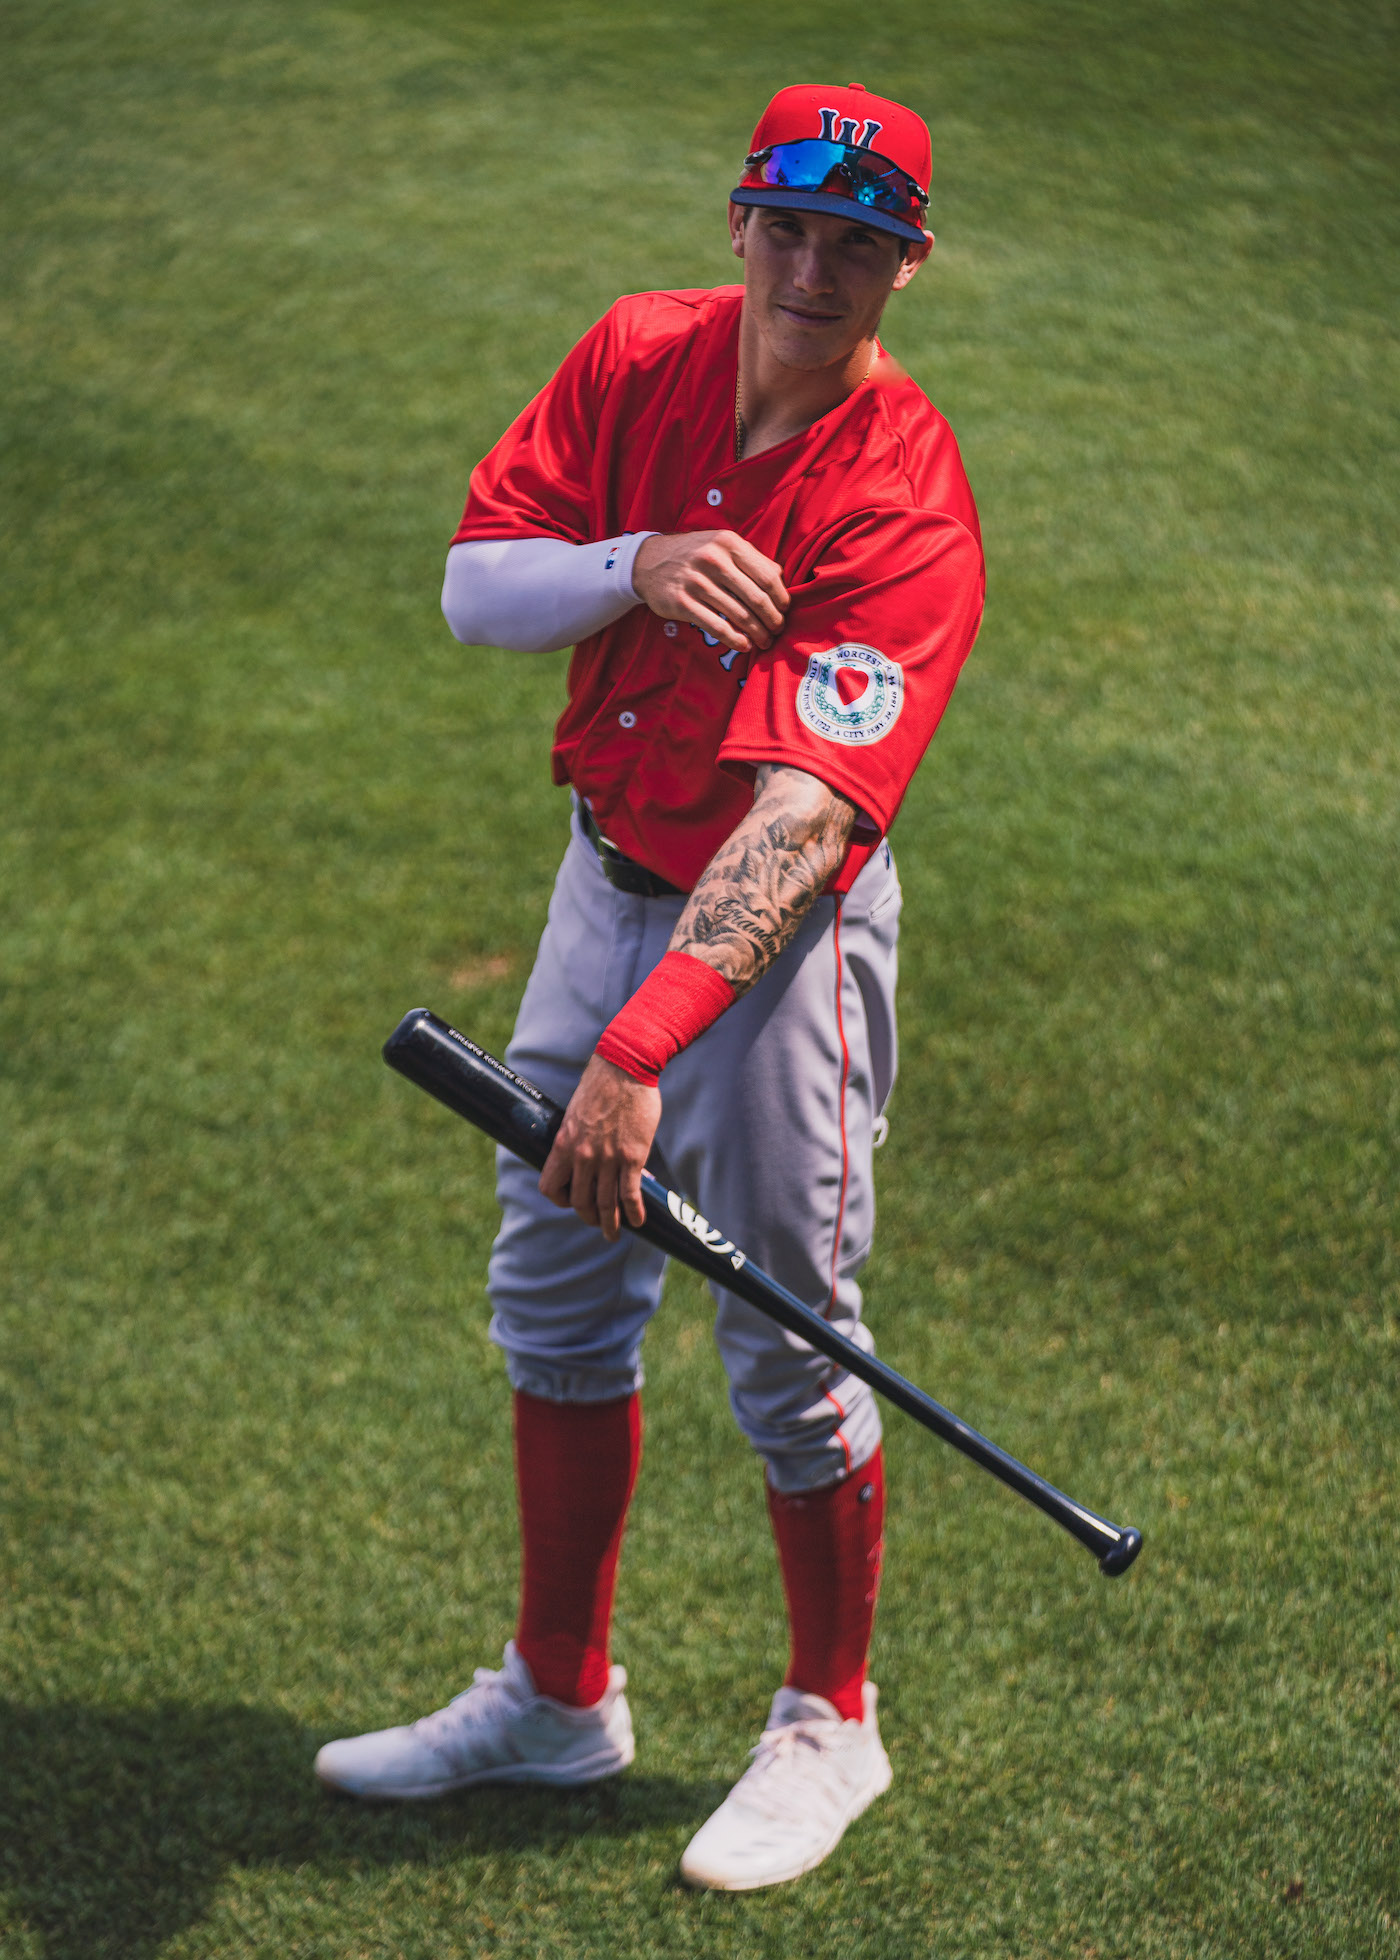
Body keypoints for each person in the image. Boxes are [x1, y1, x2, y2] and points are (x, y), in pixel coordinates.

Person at [315, 81, 984, 1892]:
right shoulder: (636, 354)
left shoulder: (903, 496)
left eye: (863, 241)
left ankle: (831, 1722)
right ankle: (555, 1695)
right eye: (791, 224)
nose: (818, 265)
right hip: (602, 880)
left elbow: (803, 817)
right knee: (550, 1286)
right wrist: (640, 566)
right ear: (739, 224)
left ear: (907, 268)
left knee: (786, 1328)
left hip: (782, 950)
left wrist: (636, 1055)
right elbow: (474, 587)